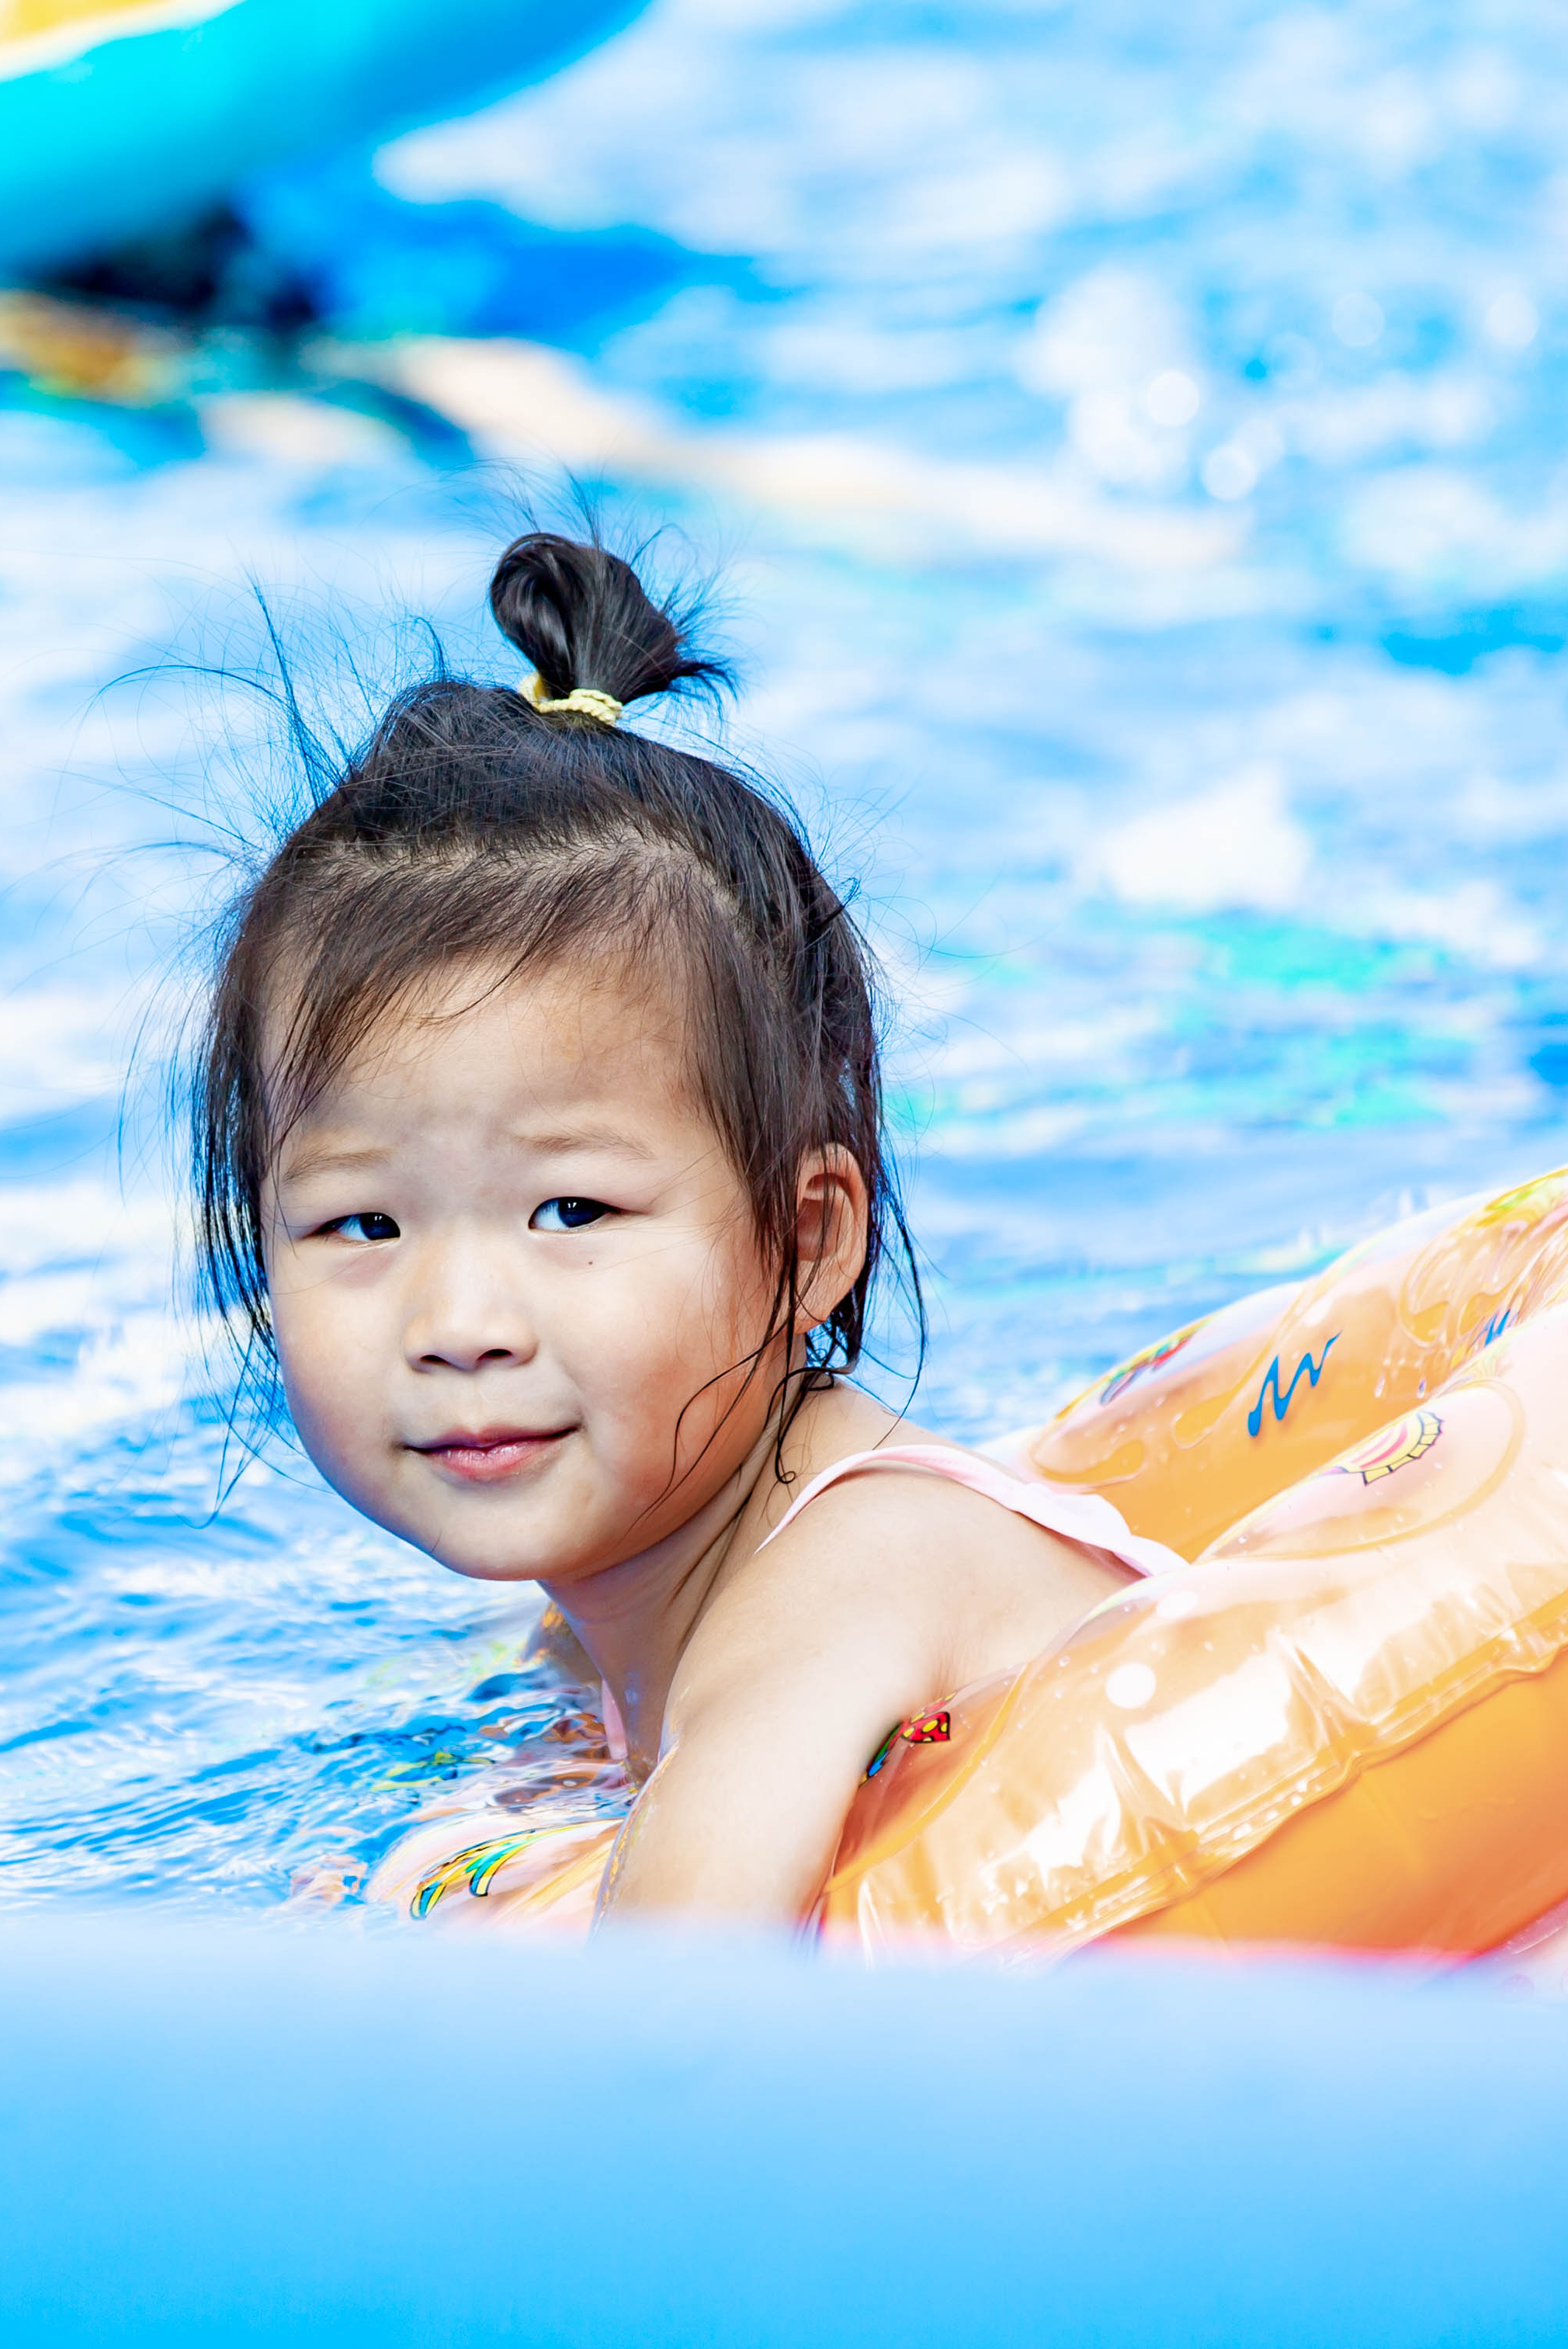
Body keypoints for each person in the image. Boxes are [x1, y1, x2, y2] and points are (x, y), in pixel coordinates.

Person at [192, 530, 1180, 1928]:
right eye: (360, 1223)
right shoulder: (631, 1579)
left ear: (807, 1239)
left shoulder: (845, 1582)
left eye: (572, 1209)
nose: (459, 1324)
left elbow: (663, 2028)